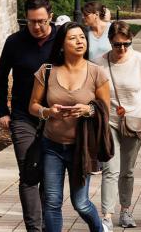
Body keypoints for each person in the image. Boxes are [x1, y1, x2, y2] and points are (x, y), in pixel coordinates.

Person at [29, 22, 111, 232]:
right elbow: (33, 106)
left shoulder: (96, 72)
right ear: (62, 44)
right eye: (73, 38)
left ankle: (99, 229)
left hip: (81, 148)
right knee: (52, 202)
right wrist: (48, 112)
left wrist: (88, 110)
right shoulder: (47, 71)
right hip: (52, 146)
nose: (79, 41)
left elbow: (104, 109)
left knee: (81, 203)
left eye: (82, 37)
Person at [94, 21, 141, 231]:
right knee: (110, 169)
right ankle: (106, 215)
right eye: (117, 45)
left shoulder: (139, 60)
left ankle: (125, 209)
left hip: (135, 122)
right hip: (110, 122)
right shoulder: (99, 63)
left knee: (128, 170)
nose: (122, 49)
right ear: (110, 42)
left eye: (127, 43)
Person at [0, 0, 57, 232]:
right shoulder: (15, 42)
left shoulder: (61, 38)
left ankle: (47, 222)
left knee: (49, 173)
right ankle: (34, 227)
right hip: (22, 115)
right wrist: (2, 111)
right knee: (29, 171)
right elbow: (0, 78)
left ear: (50, 16)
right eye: (32, 22)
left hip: (54, 115)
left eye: (41, 21)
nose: (37, 26)